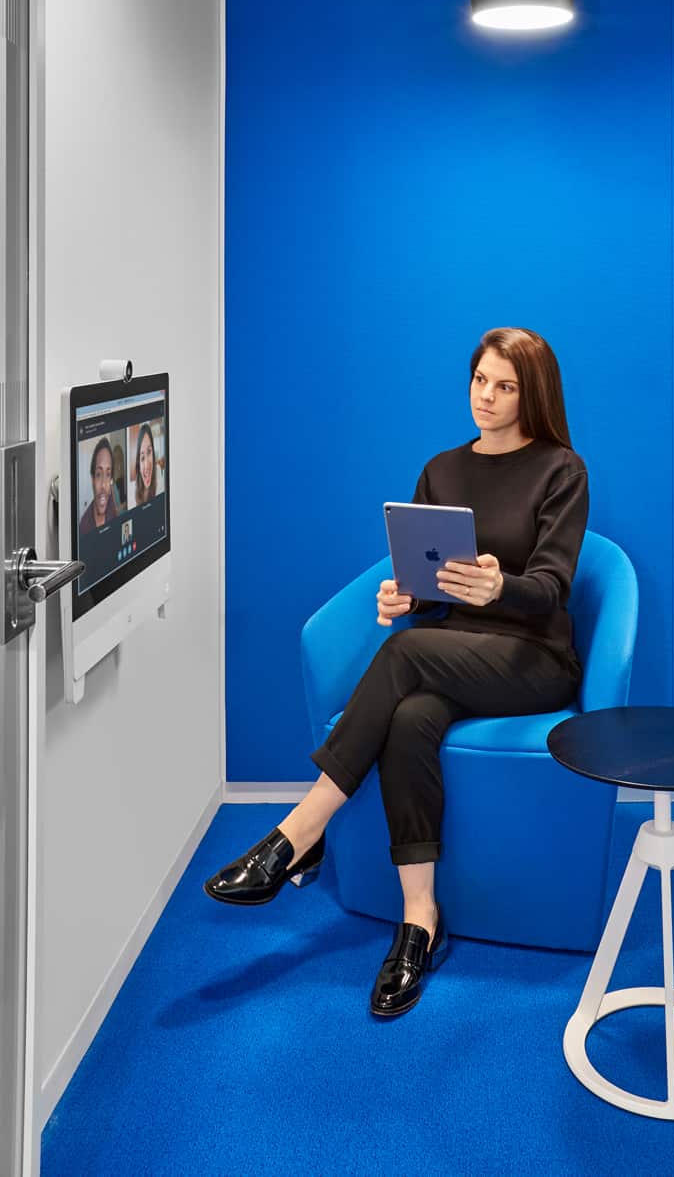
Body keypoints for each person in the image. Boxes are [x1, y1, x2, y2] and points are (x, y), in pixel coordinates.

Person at [204, 327, 589, 1019]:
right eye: (480, 380)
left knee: (403, 655)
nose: (487, 397)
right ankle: (419, 920)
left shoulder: (561, 469)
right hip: (454, 653)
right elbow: (430, 586)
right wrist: (405, 598)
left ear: (532, 394)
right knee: (410, 718)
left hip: (533, 659)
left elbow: (552, 589)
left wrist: (500, 586)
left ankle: (299, 832)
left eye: (505, 386)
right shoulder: (441, 470)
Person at [78, 437, 120, 535]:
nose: (103, 485)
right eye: (98, 474)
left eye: (108, 474)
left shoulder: (112, 505)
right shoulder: (84, 527)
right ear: (92, 479)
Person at [134, 423, 158, 506]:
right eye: (142, 458)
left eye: (149, 452)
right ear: (138, 465)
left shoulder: (161, 486)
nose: (147, 465)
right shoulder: (136, 492)